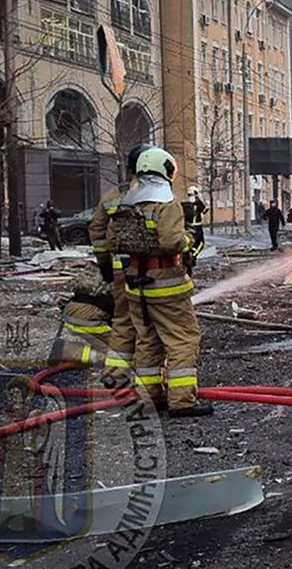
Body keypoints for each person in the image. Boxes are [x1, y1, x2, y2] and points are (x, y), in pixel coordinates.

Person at [113, 146, 211, 418]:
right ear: (165, 170)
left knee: (148, 341)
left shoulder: (127, 204)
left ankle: (149, 397)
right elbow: (171, 242)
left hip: (137, 286)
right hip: (166, 285)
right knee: (183, 339)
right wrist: (190, 238)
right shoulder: (166, 205)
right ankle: (182, 401)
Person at [88, 144, 147, 391]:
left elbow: (96, 231)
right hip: (148, 271)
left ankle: (115, 376)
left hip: (120, 270)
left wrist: (105, 265)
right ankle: (150, 383)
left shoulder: (113, 196)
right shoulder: (155, 195)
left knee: (122, 321)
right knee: (149, 327)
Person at [182, 186, 207, 273]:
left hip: (187, 228)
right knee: (200, 243)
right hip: (197, 227)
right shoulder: (198, 204)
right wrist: (199, 198)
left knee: (189, 245)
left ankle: (188, 260)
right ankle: (193, 256)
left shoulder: (185, 204)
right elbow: (205, 210)